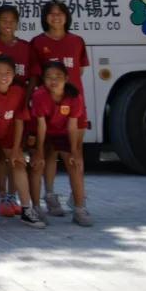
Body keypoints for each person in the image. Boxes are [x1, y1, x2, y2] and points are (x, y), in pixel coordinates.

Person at [29, 0, 89, 218]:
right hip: (48, 108)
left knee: (75, 151)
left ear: (66, 16)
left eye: (60, 13)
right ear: (45, 17)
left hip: (72, 106)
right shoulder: (38, 42)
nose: (56, 17)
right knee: (49, 152)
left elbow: (79, 71)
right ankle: (50, 194)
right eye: (51, 14)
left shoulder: (77, 41)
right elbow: (35, 76)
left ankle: (78, 199)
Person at [0, 56, 45, 228]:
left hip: (7, 130)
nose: (3, 76)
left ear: (14, 74)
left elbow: (19, 120)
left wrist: (16, 148)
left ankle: (26, 209)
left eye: (7, 72)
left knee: (18, 162)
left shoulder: (19, 91)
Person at [0, 4, 30, 217]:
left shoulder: (26, 47)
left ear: (17, 23)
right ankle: (3, 196)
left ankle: (13, 195)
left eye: (12, 21)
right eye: (3, 20)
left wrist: (26, 100)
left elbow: (33, 77)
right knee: (0, 153)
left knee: (16, 152)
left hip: (17, 106)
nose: (7, 24)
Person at [28, 61, 91, 226]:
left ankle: (79, 209)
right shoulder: (39, 95)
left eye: (58, 76)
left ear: (66, 78)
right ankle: (36, 208)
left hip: (62, 133)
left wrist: (75, 151)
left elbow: (72, 126)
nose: (53, 80)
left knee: (75, 164)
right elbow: (41, 126)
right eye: (49, 77)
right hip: (40, 132)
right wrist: (39, 152)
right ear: (43, 80)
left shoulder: (74, 96)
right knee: (36, 165)